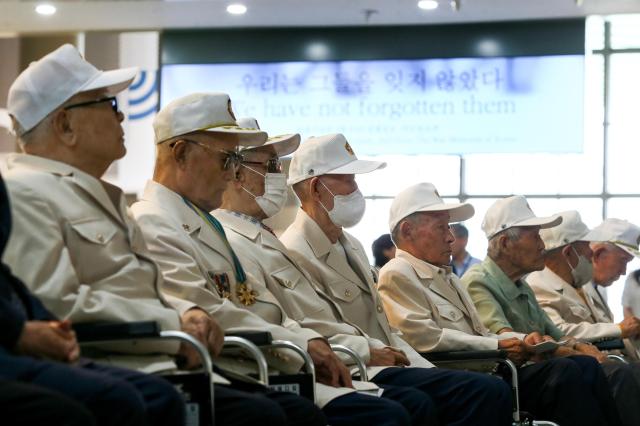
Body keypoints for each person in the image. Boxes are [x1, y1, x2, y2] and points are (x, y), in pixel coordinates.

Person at [2, 44, 289, 426]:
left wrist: (185, 310)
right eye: (109, 106)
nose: (121, 119)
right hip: (121, 360)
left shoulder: (98, 196)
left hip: (160, 357)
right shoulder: (25, 191)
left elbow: (140, 288)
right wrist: (173, 325)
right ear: (65, 125)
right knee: (264, 415)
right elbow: (58, 304)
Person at [217, 117, 442, 426]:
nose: (278, 175)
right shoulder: (240, 242)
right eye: (270, 164)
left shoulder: (269, 237)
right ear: (236, 172)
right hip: (320, 365)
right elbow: (291, 322)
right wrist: (362, 350)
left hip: (347, 359)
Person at [130, 99, 340, 426]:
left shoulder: (204, 223)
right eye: (226, 159)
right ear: (182, 153)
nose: (232, 174)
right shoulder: (153, 221)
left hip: (249, 363)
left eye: (237, 160)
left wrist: (305, 341)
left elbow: (257, 306)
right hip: (219, 366)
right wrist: (300, 344)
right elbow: (206, 310)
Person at [279, 133, 513, 426]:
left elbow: (386, 329)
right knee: (482, 392)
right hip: (357, 367)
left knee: (483, 390)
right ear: (316, 187)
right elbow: (315, 329)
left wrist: (425, 368)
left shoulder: (351, 244)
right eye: (349, 181)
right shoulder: (294, 248)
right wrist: (372, 351)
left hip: (387, 363)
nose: (356, 190)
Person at [378, 183, 625, 426]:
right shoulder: (398, 273)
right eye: (441, 227)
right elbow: (425, 339)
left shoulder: (448, 277)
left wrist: (522, 340)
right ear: (408, 230)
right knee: (564, 372)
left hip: (488, 369)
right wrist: (500, 344)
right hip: (463, 374)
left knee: (582, 365)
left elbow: (481, 332)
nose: (451, 237)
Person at [0, 171, 184, 426]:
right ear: (66, 129)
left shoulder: (106, 195)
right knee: (112, 401)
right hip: (130, 348)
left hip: (165, 350)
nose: (121, 129)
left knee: (160, 396)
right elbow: (62, 299)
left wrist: (46, 323)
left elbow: (5, 278)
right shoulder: (26, 190)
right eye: (227, 158)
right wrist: (19, 329)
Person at [461, 195, 623, 426]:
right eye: (535, 236)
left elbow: (554, 333)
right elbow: (504, 337)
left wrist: (579, 346)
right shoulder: (478, 282)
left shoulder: (521, 285)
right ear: (506, 243)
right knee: (566, 369)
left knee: (587, 364)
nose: (542, 245)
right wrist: (569, 351)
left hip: (535, 371)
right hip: (506, 378)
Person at [526, 210, 640, 425]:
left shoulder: (581, 287)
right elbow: (558, 331)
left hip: (601, 360)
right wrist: (619, 329)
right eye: (587, 253)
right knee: (622, 373)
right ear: (570, 253)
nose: (590, 256)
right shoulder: (538, 285)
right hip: (573, 365)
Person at [587, 219, 640, 324]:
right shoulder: (574, 288)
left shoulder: (598, 289)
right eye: (623, 261)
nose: (623, 271)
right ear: (599, 254)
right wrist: (620, 330)